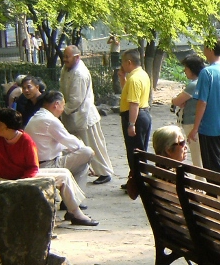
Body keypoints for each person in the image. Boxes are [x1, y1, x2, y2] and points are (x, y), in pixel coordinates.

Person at [0, 108, 96, 225]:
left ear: (8, 127)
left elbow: (33, 168)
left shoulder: (25, 141)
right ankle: (76, 213)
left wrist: (23, 179)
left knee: (65, 173)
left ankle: (75, 211)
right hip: (14, 179)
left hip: (23, 176)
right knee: (64, 176)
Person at [60, 45, 115, 184]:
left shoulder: (80, 74)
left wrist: (60, 110)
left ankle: (105, 172)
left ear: (77, 57)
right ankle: (84, 169)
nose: (65, 59)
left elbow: (75, 100)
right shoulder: (66, 69)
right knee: (75, 146)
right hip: (71, 116)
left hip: (84, 116)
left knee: (94, 145)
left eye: (67, 56)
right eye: (64, 56)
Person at [26, 90, 94, 189]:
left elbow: (64, 144)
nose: (63, 109)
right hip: (46, 165)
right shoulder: (50, 120)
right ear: (56, 104)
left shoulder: (37, 116)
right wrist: (87, 155)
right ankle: (72, 200)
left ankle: (73, 198)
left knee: (83, 163)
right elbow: (72, 143)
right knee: (87, 152)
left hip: (39, 162)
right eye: (63, 105)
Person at [188, 38, 220, 172]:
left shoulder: (206, 72)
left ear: (210, 49)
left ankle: (216, 192)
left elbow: (202, 102)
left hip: (209, 127)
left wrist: (195, 128)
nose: (203, 51)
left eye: (204, 48)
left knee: (211, 169)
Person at [119, 48, 152, 184]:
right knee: (139, 149)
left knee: (135, 152)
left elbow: (134, 103)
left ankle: (139, 181)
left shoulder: (134, 79)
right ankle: (136, 179)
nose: (122, 65)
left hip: (135, 116)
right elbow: (128, 93)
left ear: (129, 62)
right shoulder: (141, 74)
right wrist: (122, 78)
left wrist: (131, 124)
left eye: (123, 62)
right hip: (143, 114)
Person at [170, 53, 205, 166]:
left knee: (196, 156)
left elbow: (177, 101)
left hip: (191, 123)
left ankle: (200, 179)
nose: (184, 71)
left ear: (192, 69)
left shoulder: (194, 85)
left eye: (186, 68)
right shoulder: (203, 82)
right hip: (200, 123)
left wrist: (174, 99)